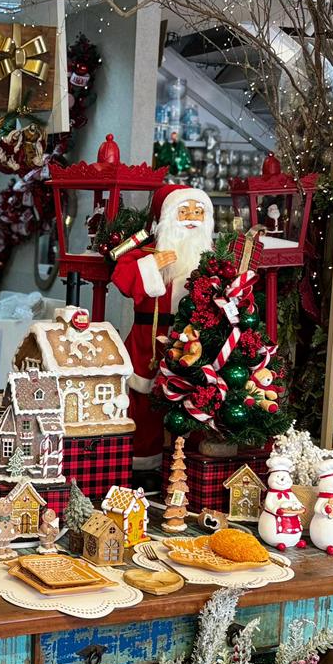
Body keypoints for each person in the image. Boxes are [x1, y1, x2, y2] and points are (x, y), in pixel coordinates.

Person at [111, 185, 215, 472]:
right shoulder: (147, 249)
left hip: (197, 340)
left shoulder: (210, 258)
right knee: (143, 401)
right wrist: (151, 264)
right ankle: (143, 464)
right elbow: (121, 278)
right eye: (183, 212)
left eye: (198, 211)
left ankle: (187, 468)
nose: (192, 218)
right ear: (168, 217)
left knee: (196, 400)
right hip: (150, 338)